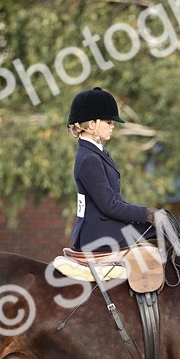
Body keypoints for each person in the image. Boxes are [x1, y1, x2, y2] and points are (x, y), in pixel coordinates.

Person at [67, 87, 157, 252]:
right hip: (99, 234)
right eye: (108, 122)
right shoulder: (89, 159)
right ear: (92, 124)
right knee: (161, 230)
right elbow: (110, 205)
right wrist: (147, 214)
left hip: (106, 227)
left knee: (163, 226)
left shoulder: (96, 152)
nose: (112, 126)